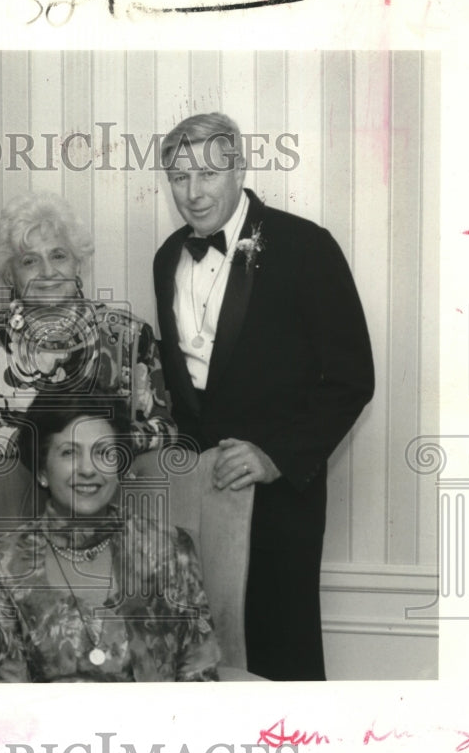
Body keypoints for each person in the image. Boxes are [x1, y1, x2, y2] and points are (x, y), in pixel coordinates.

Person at [152, 112, 375, 681]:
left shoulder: (306, 246)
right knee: (200, 657)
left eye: (208, 174)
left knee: (279, 661)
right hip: (196, 496)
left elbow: (351, 378)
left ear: (239, 167)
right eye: (179, 178)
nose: (193, 192)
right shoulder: (166, 257)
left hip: (279, 501)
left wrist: (274, 455)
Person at [0, 396, 223, 682]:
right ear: (42, 471)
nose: (88, 469)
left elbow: (201, 681)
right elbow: (0, 701)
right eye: (69, 453)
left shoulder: (171, 549)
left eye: (104, 453)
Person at [0, 191, 175, 457]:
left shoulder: (128, 334)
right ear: (9, 274)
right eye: (29, 261)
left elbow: (164, 430)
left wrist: (100, 446)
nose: (47, 272)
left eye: (58, 256)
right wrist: (49, 449)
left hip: (108, 487)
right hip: (16, 489)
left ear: (77, 263)